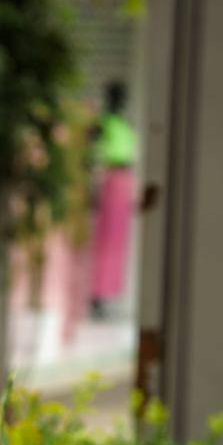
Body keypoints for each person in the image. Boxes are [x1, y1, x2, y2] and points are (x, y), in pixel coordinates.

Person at [89, 81, 138, 318]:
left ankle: (108, 293)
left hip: (124, 181)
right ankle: (97, 294)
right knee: (105, 240)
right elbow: (92, 151)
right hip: (110, 179)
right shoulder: (103, 123)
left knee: (117, 241)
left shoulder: (122, 123)